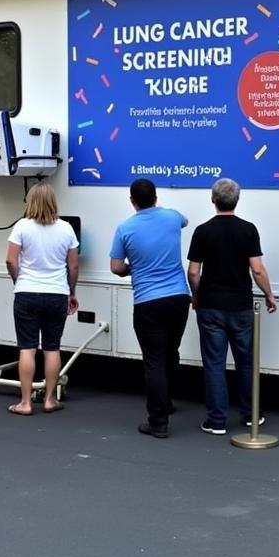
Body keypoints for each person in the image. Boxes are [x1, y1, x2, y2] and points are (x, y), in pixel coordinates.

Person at [186, 178, 277, 436]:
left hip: (211, 306)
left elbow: (194, 272)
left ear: (213, 200)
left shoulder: (202, 231)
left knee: (214, 364)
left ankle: (216, 421)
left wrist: (196, 296)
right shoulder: (248, 230)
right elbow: (257, 269)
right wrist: (269, 294)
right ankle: (251, 416)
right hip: (241, 306)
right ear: (237, 200)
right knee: (246, 363)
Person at [110, 178, 190, 439]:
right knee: (170, 352)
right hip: (179, 298)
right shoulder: (171, 217)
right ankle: (166, 401)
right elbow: (185, 220)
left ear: (132, 201)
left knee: (153, 361)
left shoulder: (125, 228)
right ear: (156, 197)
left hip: (148, 301)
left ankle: (158, 421)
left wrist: (133, 268)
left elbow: (115, 267)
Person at [4, 183, 79, 416]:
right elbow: (73, 265)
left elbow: (10, 260)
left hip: (27, 292)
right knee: (52, 347)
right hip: (57, 293)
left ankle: (25, 403)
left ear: (31, 202)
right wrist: (71, 291)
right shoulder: (66, 229)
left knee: (27, 348)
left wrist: (19, 280)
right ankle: (48, 400)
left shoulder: (22, 226)